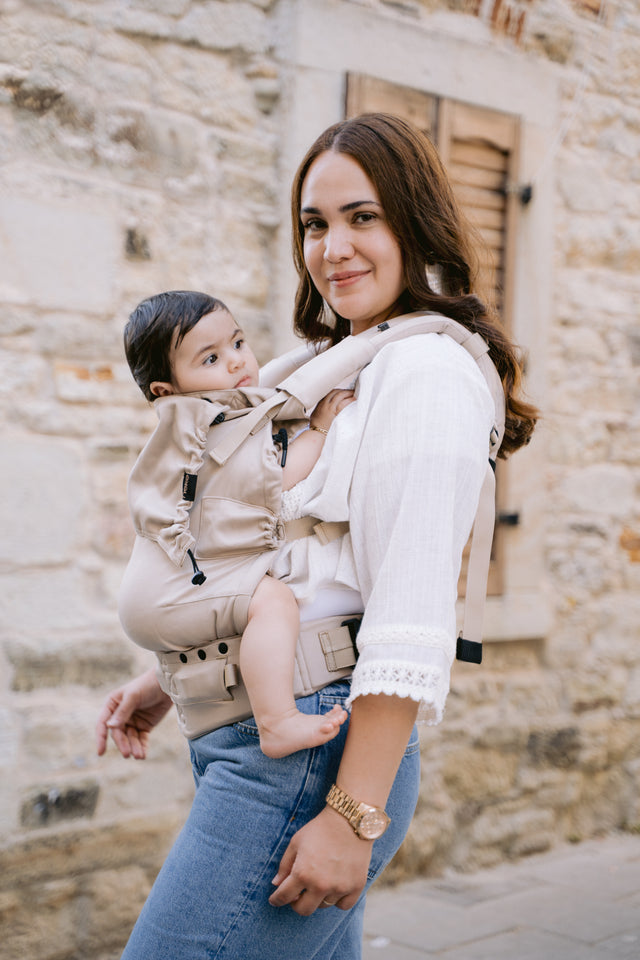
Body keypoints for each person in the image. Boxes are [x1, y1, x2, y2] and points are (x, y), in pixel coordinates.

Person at [96, 113, 537, 960]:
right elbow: (288, 560)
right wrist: (181, 669)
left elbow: (408, 611)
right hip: (257, 739)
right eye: (314, 223)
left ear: (416, 223)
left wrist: (353, 816)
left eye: (363, 217)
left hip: (311, 759)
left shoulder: (425, 371)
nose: (334, 248)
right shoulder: (320, 368)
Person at [118, 289, 354, 758]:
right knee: (273, 601)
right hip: (167, 593)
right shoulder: (210, 420)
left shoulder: (188, 427)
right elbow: (277, 480)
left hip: (161, 588)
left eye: (238, 342)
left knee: (262, 600)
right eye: (210, 358)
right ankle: (278, 722)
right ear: (165, 390)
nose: (235, 361)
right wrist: (320, 430)